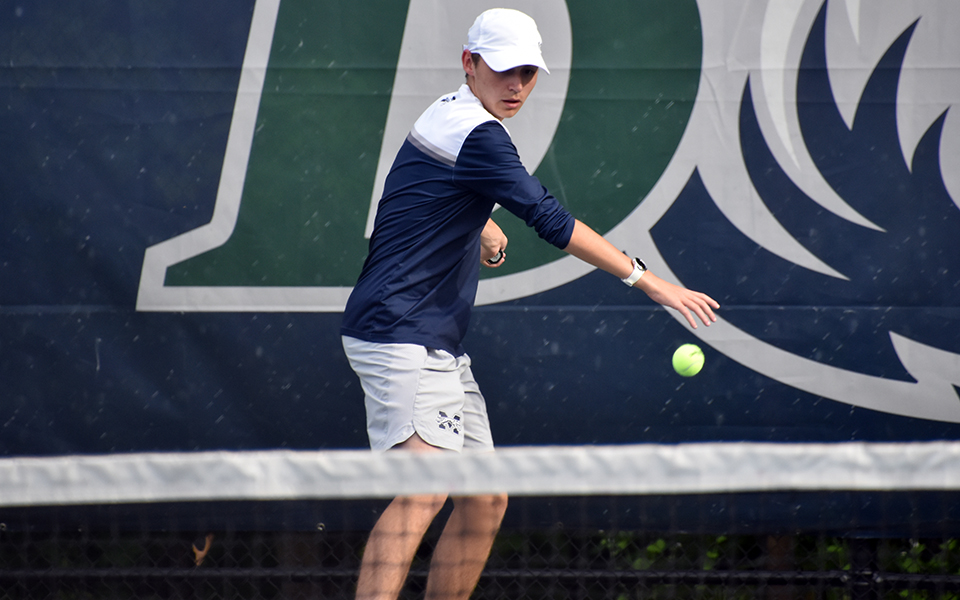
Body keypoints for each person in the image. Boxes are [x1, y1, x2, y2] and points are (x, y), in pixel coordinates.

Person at [340, 8, 719, 600]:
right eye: (502, 70)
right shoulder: (480, 135)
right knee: (426, 489)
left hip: (427, 336)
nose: (516, 85)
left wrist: (483, 225)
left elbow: (416, 191)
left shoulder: (449, 114)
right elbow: (551, 220)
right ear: (469, 64)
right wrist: (650, 281)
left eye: (527, 72)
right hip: (400, 332)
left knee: (486, 497)